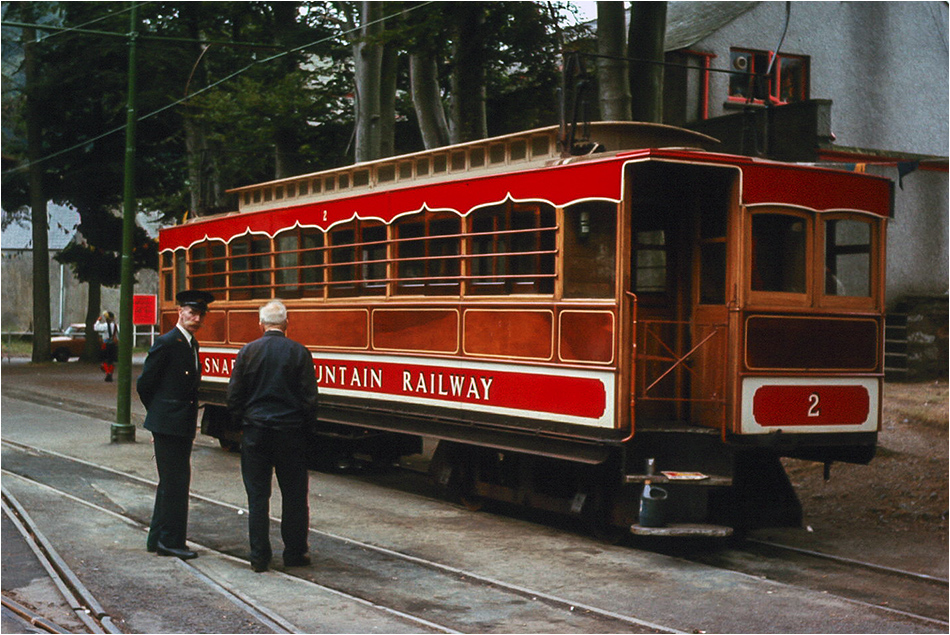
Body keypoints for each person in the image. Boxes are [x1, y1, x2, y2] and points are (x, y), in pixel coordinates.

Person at [227, 300, 318, 573]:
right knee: (294, 496)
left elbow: (234, 397)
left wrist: (242, 423)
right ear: (287, 323)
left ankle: (259, 556)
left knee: (257, 496)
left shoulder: (247, 352)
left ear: (261, 324)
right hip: (290, 434)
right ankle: (294, 553)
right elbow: (310, 400)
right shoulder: (300, 353)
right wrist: (305, 429)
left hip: (256, 432)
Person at [137, 290, 214, 560]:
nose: (196, 318)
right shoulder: (168, 342)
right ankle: (171, 542)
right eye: (191, 312)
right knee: (176, 483)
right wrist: (159, 417)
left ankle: (157, 537)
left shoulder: (191, 344)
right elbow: (145, 384)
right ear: (179, 311)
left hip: (179, 423)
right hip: (169, 423)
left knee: (171, 482)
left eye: (200, 314)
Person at [95, 310, 119, 382]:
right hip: (113, 345)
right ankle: (110, 373)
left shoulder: (105, 326)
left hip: (106, 344)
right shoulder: (115, 326)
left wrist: (98, 321)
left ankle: (107, 372)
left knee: (104, 359)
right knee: (111, 360)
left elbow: (96, 328)